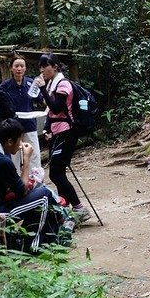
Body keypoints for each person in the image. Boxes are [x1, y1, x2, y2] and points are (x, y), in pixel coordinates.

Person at [0, 118, 67, 252]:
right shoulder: (2, 161)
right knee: (45, 195)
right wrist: (27, 159)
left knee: (38, 197)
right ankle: (34, 246)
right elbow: (22, 190)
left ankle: (29, 238)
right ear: (10, 141)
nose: (21, 144)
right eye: (20, 140)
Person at [32, 53, 91, 223]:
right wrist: (47, 129)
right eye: (40, 67)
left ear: (55, 66)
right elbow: (50, 110)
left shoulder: (63, 84)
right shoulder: (52, 84)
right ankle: (64, 209)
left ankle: (79, 209)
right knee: (58, 172)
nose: (42, 70)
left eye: (45, 66)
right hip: (58, 132)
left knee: (56, 173)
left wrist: (43, 88)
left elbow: (57, 107)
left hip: (67, 132)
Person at [0, 56, 43, 177]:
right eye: (16, 66)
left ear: (25, 69)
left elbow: (41, 99)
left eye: (22, 66)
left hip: (30, 124)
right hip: (13, 126)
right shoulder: (4, 87)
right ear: (11, 68)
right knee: (14, 156)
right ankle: (15, 183)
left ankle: (36, 181)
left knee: (34, 154)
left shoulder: (31, 83)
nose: (19, 69)